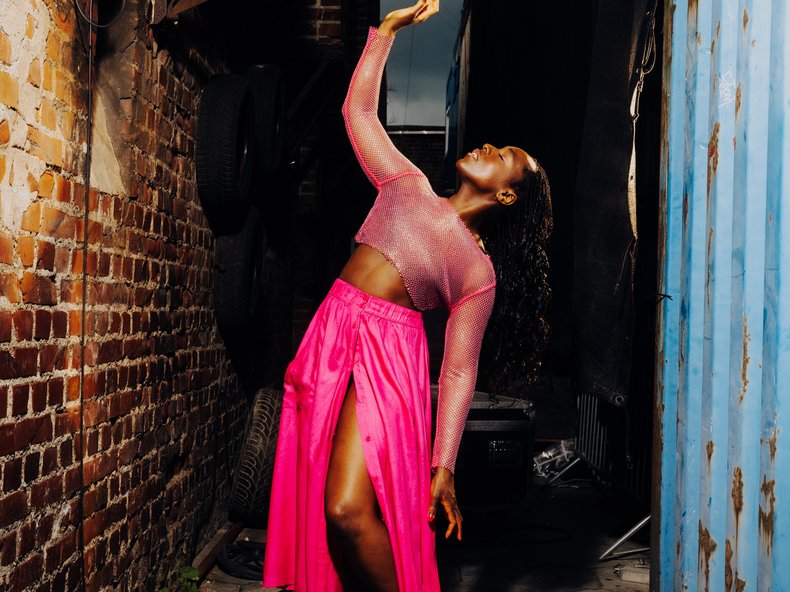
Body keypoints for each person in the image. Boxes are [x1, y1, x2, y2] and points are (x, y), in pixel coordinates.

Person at [262, 1, 552, 590]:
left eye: (504, 158)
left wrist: (445, 464)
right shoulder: (407, 183)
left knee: (346, 510)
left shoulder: (477, 271)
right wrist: (386, 33)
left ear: (506, 196)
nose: (489, 147)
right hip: (333, 330)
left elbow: (460, 369)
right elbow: (358, 113)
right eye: (496, 145)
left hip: (389, 359)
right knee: (322, 506)